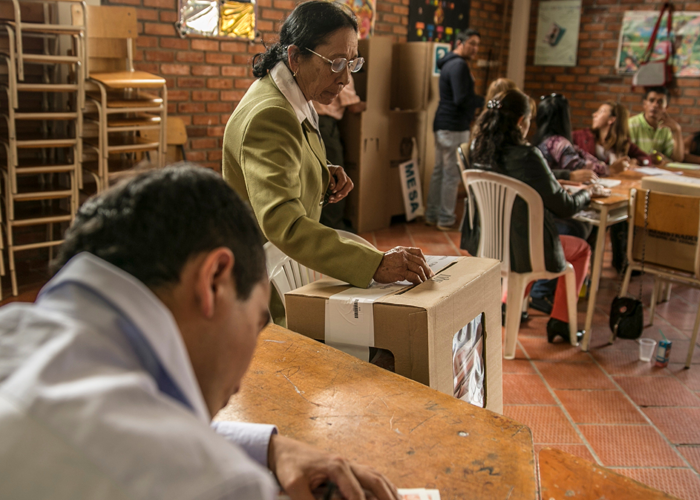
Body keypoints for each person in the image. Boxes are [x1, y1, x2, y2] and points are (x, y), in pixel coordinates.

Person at [0, 166, 400, 500]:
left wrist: (268, 447)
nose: (240, 385)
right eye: (256, 323)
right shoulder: (212, 483)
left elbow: (119, 423)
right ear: (214, 281)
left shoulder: (15, 334)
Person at [222, 1, 432, 325]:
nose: (346, 78)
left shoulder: (292, 93)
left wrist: (322, 171)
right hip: (264, 289)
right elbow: (285, 224)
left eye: (352, 62)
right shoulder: (271, 114)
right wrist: (375, 264)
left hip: (285, 266)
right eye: (336, 63)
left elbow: (287, 156)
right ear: (295, 57)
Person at [469, 90, 592, 342]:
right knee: (581, 249)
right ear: (520, 121)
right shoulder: (527, 155)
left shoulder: (478, 150)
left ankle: (507, 302)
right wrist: (587, 193)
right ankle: (561, 322)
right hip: (521, 250)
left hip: (487, 244)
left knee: (525, 242)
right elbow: (566, 207)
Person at [425, 28, 484, 231]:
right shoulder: (459, 65)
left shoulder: (448, 63)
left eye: (478, 45)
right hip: (454, 126)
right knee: (451, 174)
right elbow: (462, 99)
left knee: (439, 172)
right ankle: (445, 218)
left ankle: (432, 215)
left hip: (443, 124)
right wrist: (483, 101)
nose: (475, 49)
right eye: (472, 43)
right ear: (460, 43)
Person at [533, 93, 631, 181]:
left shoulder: (545, 140)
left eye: (601, 112)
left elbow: (579, 153)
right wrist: (609, 169)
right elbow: (579, 168)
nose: (594, 114)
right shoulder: (560, 142)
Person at [314, 73, 366, 232]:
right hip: (325, 124)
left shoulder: (322, 66)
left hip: (312, 120)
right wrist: (373, 106)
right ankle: (333, 227)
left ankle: (322, 223)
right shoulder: (343, 73)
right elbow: (353, 106)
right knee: (335, 177)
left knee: (320, 174)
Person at [573, 101, 651, 166]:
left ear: (611, 119)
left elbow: (646, 159)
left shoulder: (623, 143)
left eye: (600, 111)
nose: (594, 115)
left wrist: (636, 161)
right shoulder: (581, 136)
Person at [628, 86, 684, 162]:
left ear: (666, 107)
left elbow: (678, 159)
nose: (655, 105)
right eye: (651, 100)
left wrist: (677, 130)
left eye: (660, 102)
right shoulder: (630, 124)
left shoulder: (666, 128)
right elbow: (624, 156)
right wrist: (648, 159)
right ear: (644, 104)